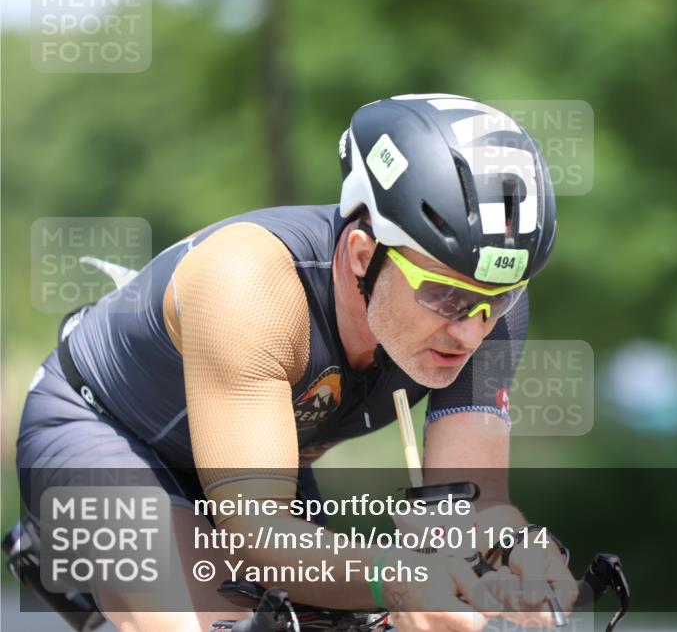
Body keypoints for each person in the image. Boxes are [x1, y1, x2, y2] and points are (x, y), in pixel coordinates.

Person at [15, 94, 574, 632]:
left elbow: (467, 505)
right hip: (103, 430)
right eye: (444, 297)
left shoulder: (489, 306)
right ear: (363, 255)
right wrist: (397, 577)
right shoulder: (250, 282)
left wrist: (511, 549)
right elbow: (256, 534)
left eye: (497, 299)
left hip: (260, 460)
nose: (471, 329)